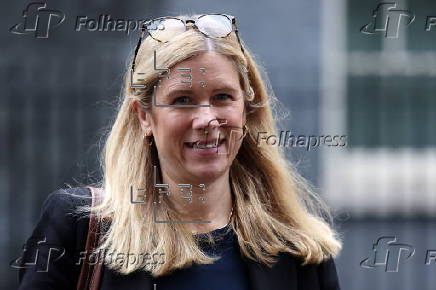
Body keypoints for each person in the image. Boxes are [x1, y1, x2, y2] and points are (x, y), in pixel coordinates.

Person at [17, 13, 342, 290]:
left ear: (246, 110)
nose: (206, 119)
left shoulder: (300, 249)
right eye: (182, 100)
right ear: (144, 116)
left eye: (222, 97)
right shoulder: (78, 228)